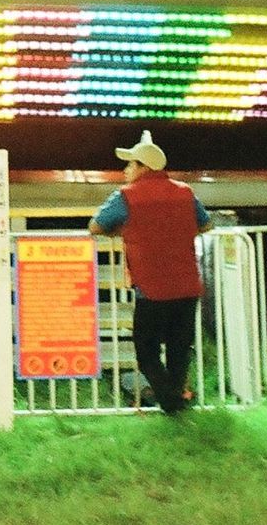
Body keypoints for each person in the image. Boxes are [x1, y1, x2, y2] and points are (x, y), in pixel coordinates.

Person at [89, 130, 210, 415]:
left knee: (146, 351)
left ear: (144, 167)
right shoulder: (185, 192)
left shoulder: (126, 196)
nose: (125, 170)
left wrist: (122, 230)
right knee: (180, 349)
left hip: (151, 287)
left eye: (130, 164)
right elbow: (205, 224)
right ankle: (177, 404)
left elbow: (95, 226)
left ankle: (170, 403)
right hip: (187, 286)